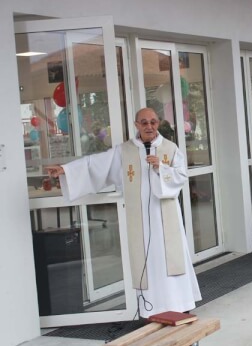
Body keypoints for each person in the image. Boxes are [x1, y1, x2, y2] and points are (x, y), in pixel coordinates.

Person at [46, 108, 201, 318]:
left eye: (153, 122)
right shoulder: (124, 151)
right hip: (141, 222)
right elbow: (96, 164)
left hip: (166, 218)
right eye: (144, 122)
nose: (149, 127)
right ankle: (151, 309)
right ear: (136, 125)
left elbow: (181, 177)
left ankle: (180, 304)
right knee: (148, 261)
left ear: (158, 123)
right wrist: (66, 170)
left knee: (170, 259)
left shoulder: (171, 148)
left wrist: (162, 168)